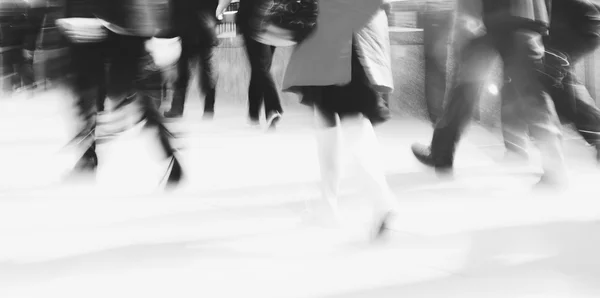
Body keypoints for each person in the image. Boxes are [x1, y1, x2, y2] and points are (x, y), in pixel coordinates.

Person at [411, 0, 568, 187]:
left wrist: (467, 16)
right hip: (523, 17)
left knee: (466, 88)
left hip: (492, 18)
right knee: (531, 93)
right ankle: (555, 168)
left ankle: (441, 153)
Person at [283, 0, 398, 239]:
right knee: (330, 121)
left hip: (339, 43)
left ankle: (381, 200)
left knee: (350, 122)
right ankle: (329, 206)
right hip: (342, 40)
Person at [59, 0, 183, 187]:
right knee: (105, 95)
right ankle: (88, 157)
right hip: (111, 24)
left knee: (117, 96)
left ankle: (89, 157)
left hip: (114, 24)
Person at [502, 0, 600, 162]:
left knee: (553, 83)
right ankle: (517, 148)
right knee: (558, 80)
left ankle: (518, 149)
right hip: (580, 21)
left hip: (570, 23)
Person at [163, 0, 227, 119]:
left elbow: (174, 10)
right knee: (205, 73)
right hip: (202, 32)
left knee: (184, 74)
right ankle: (208, 108)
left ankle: (178, 109)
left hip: (189, 33)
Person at [237, 0, 283, 129]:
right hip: (271, 18)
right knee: (260, 67)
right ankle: (257, 113)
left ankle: (269, 110)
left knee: (260, 67)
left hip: (256, 18)